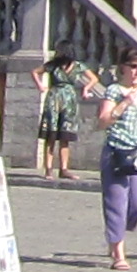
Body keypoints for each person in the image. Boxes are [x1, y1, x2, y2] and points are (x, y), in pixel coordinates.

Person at [93, 55, 137, 269]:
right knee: (116, 203)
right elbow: (103, 121)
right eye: (134, 66)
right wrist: (125, 102)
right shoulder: (114, 91)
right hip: (116, 151)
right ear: (123, 68)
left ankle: (118, 231)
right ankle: (118, 252)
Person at [35, 44, 93, 182]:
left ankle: (64, 169)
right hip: (54, 98)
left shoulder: (78, 66)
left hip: (69, 101)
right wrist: (40, 85)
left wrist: (86, 89)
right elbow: (35, 72)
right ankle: (49, 168)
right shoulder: (53, 65)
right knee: (51, 135)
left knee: (65, 136)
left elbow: (93, 78)